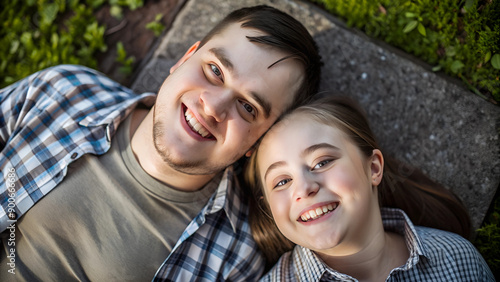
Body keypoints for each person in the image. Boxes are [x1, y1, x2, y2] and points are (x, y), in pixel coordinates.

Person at [0, 5, 322, 281]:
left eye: (249, 107)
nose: (213, 107)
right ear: (185, 58)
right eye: (214, 70)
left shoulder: (233, 260)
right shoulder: (65, 91)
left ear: (259, 142)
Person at [245, 96, 494, 281]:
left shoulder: (458, 259)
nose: (305, 187)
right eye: (281, 182)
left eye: (321, 162)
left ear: (373, 168)